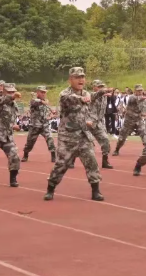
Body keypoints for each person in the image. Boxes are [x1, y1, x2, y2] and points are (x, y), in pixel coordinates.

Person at [44, 67, 103, 202]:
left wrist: (91, 121)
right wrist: (85, 98)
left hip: (83, 136)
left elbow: (92, 109)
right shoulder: (65, 94)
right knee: (61, 165)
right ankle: (50, 188)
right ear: (70, 79)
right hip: (68, 138)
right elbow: (74, 99)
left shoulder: (87, 93)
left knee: (92, 162)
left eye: (82, 77)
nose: (81, 80)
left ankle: (96, 191)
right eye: (77, 77)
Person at [21, 86, 57, 163]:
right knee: (30, 142)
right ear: (37, 92)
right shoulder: (33, 100)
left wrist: (51, 114)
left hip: (45, 125)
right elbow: (34, 103)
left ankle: (53, 155)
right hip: (35, 126)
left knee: (50, 139)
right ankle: (25, 155)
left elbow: (47, 111)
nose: (43, 94)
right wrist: (42, 102)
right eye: (42, 92)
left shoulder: (46, 101)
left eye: (44, 92)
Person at [85, 80, 114, 169]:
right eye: (99, 86)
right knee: (81, 143)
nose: (101, 88)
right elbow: (98, 94)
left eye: (102, 86)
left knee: (105, 140)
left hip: (98, 123)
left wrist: (109, 94)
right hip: (88, 122)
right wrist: (105, 91)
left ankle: (105, 161)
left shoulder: (104, 97)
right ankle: (71, 160)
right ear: (94, 87)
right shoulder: (91, 95)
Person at [113, 84, 146, 156]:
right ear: (135, 91)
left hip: (138, 120)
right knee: (122, 138)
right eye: (138, 90)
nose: (140, 92)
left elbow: (144, 109)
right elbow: (137, 99)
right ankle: (117, 149)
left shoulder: (143, 99)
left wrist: (144, 113)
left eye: (141, 90)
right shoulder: (132, 97)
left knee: (144, 134)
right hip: (129, 120)